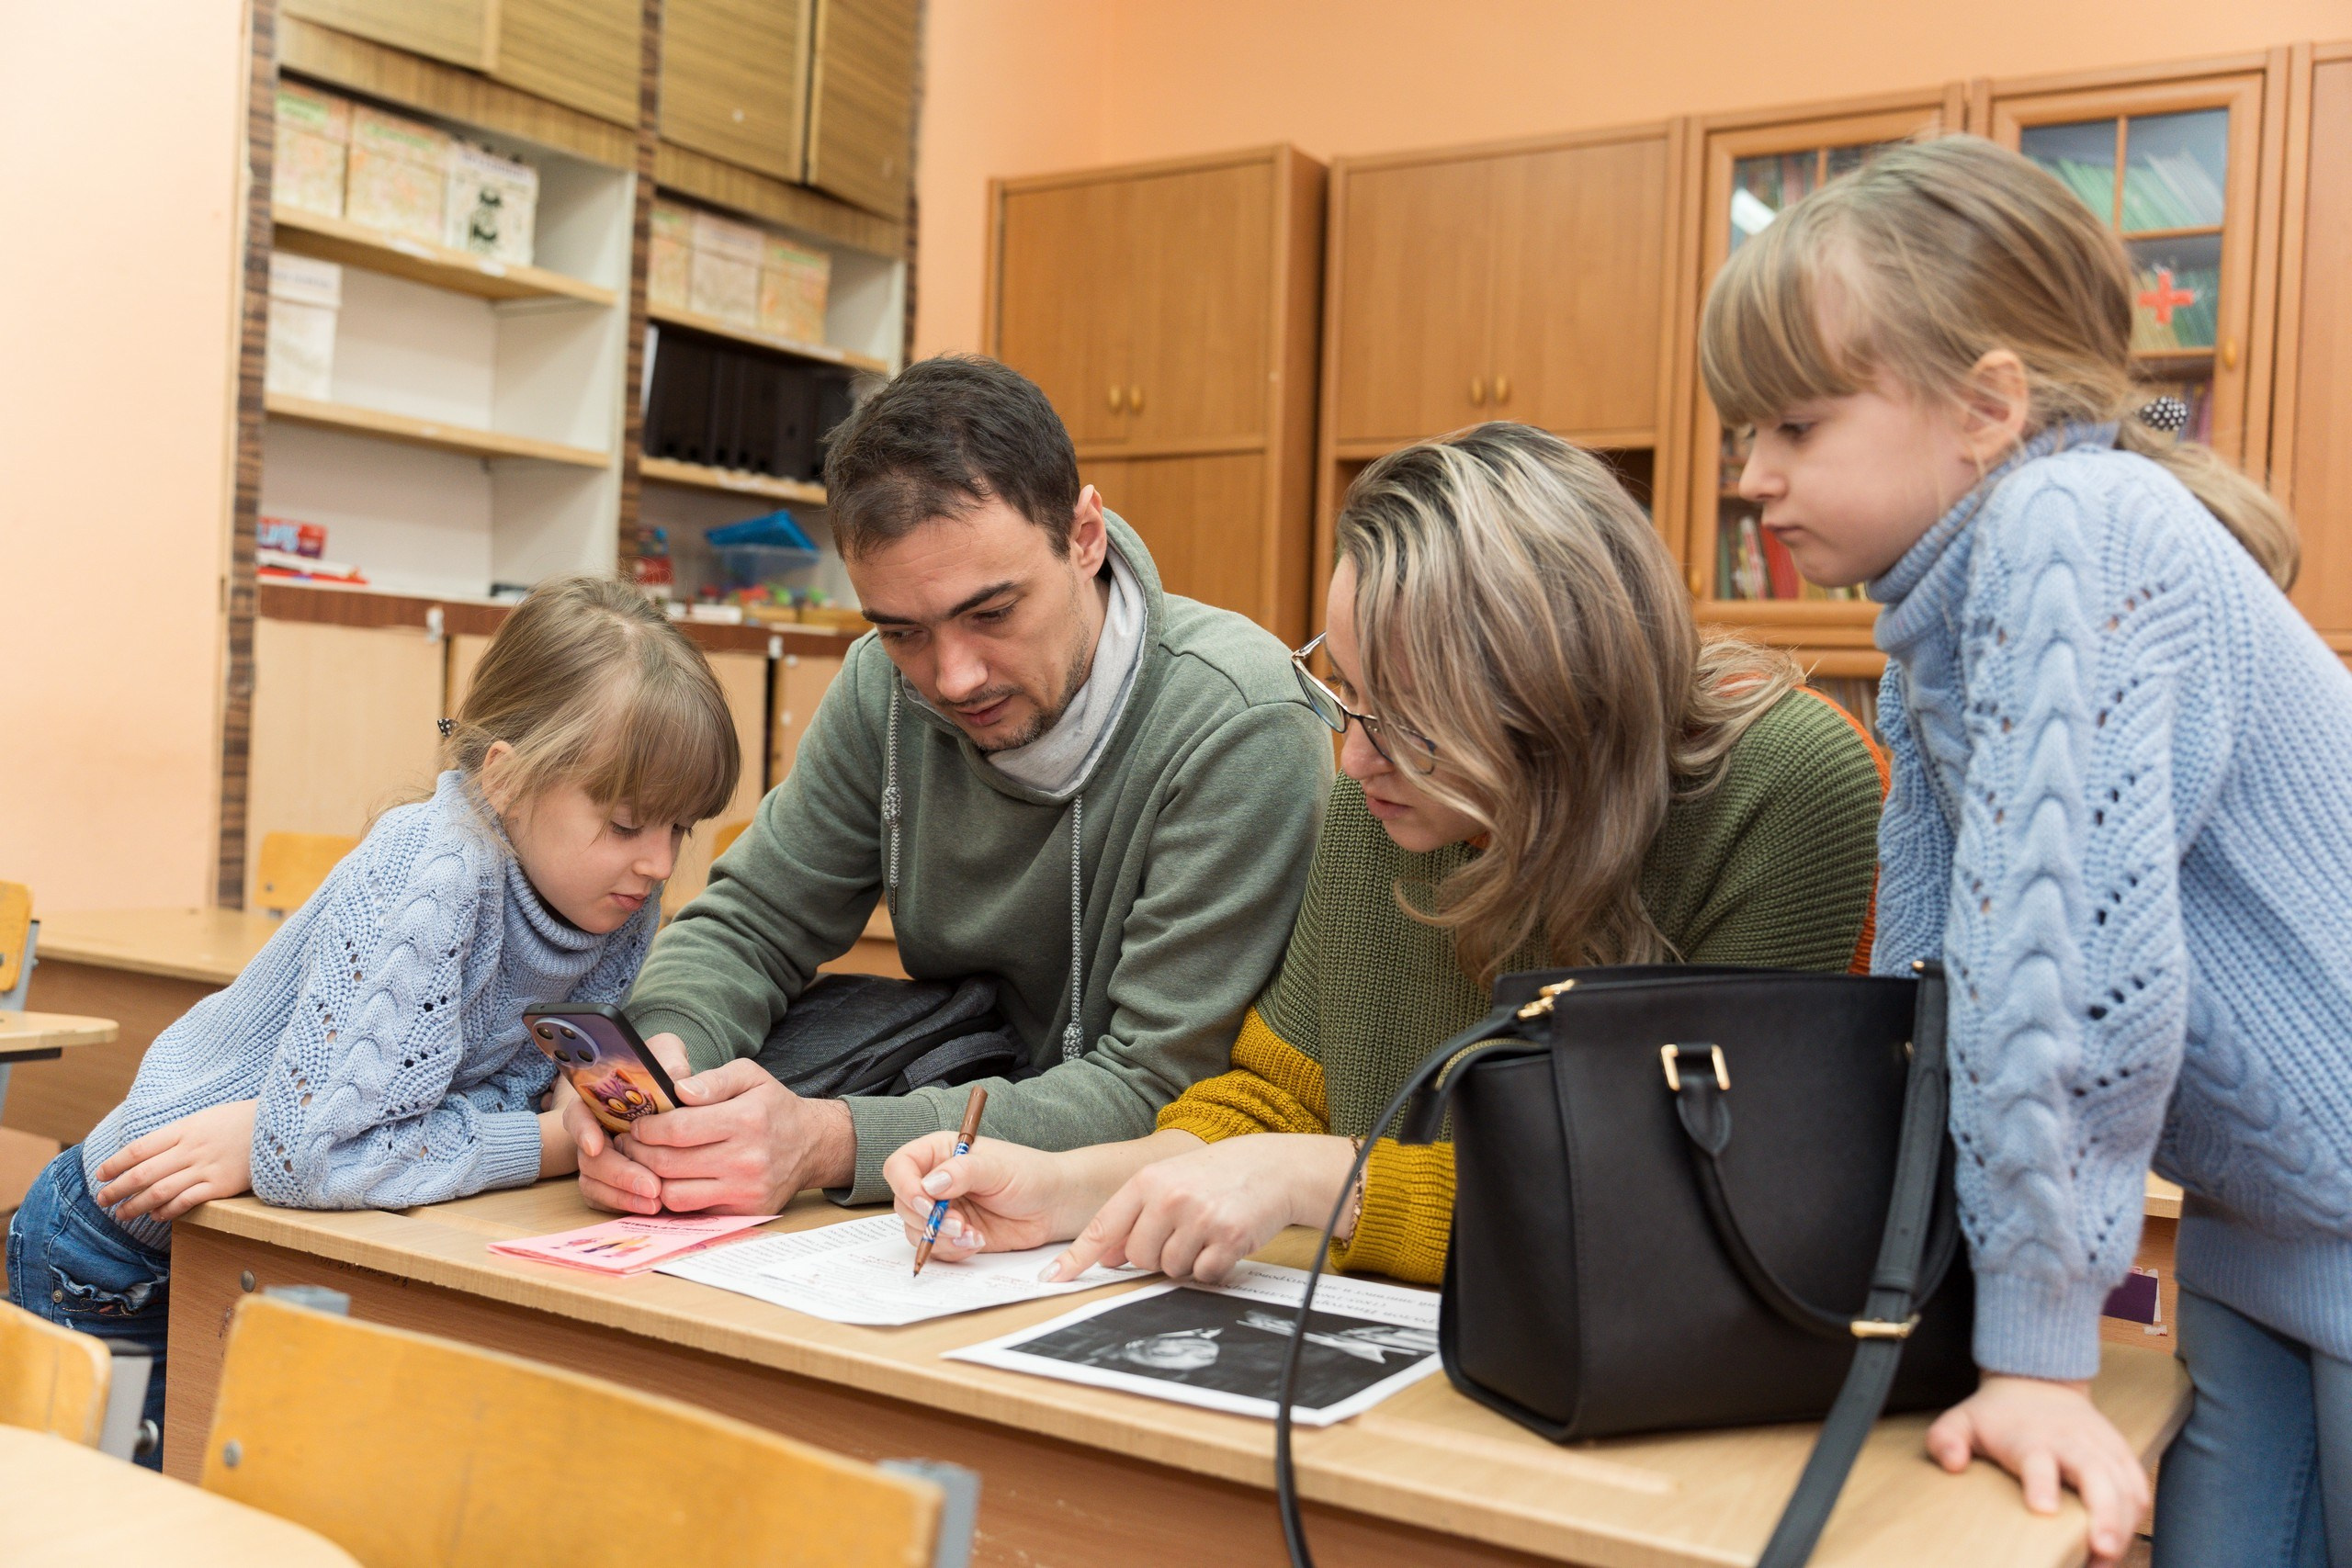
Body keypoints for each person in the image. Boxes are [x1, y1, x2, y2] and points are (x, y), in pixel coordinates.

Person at [1697, 135, 2352, 1568]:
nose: (1753, 474)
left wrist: (2042, 1353)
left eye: (1795, 426)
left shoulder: (2073, 529)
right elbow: (1938, 979)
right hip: (2273, 1229)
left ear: (1986, 405)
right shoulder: (1938, 607)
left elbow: (2063, 986)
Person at [881, 422, 1887, 1290]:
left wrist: (1322, 1180)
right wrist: (1067, 1187)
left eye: (1408, 717)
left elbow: (1690, 1205)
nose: (1354, 754)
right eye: (1347, 691)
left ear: (1553, 697)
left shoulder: (1784, 787)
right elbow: (1277, 1100)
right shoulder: (1390, 798)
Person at [571, 355, 1332, 1215]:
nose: (954, 676)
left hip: (1158, 1208)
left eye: (992, 612)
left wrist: (831, 1139)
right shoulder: (881, 685)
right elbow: (752, 924)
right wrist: (667, 1070)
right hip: (948, 1181)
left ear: (1087, 538)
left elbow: (1161, 1090)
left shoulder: (1241, 720)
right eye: (903, 631)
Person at [5, 574, 740, 1466]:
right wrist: (550, 1140)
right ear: (504, 778)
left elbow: (442, 1110)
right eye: (625, 822)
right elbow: (316, 1157)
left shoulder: (613, 903)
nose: (658, 861)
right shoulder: (434, 873)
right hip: (121, 1247)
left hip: (275, 1235)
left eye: (680, 829)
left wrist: (590, 1120)